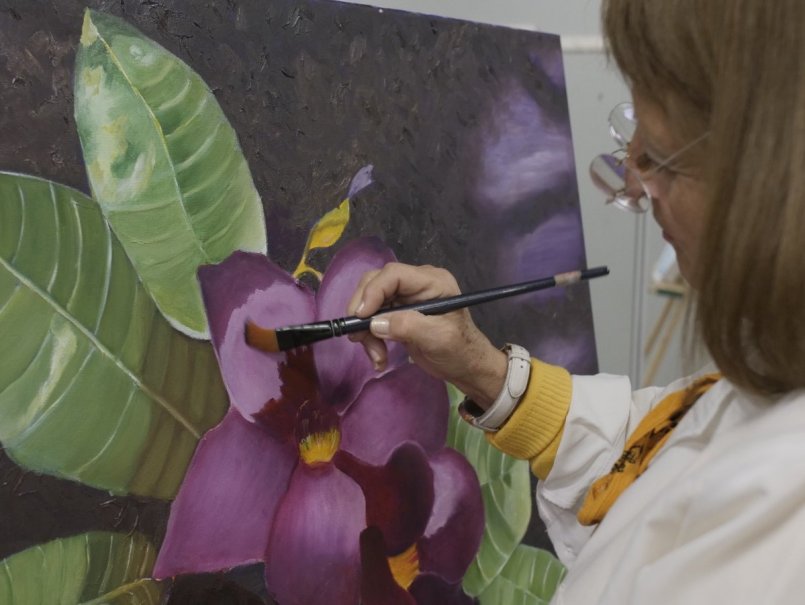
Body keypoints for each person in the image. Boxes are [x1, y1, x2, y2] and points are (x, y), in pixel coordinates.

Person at [346, 0, 805, 602]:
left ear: (768, 180)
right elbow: (651, 456)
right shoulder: (771, 380)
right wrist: (482, 368)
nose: (633, 185)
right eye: (631, 132)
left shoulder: (773, 546)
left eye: (659, 157)